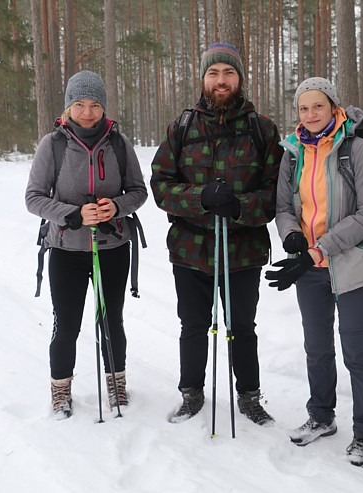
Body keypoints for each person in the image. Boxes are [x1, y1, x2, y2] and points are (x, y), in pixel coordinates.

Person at [150, 43, 282, 426]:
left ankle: (249, 396)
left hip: (242, 249)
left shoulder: (262, 129)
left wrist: (240, 206)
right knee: (193, 325)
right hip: (191, 248)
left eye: (227, 73)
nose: (220, 81)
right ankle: (191, 393)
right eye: (213, 74)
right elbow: (161, 185)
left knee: (242, 327)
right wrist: (200, 198)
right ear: (203, 80)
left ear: (239, 79)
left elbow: (276, 193)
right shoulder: (183, 126)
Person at [266, 77, 363, 469]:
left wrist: (320, 247)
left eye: (317, 106)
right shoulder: (292, 152)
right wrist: (292, 239)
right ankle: (321, 416)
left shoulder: (356, 150)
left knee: (357, 352)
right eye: (303, 108)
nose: (310, 115)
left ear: (334, 107)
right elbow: (284, 205)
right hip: (310, 270)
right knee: (317, 349)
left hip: (353, 264)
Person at [26, 70, 148, 419]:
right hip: (66, 249)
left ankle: (116, 383)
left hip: (112, 247)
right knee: (66, 323)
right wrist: (73, 214)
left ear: (104, 107)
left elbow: (139, 191)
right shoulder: (53, 145)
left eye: (95, 104)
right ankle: (61, 389)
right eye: (79, 104)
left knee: (112, 321)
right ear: (68, 107)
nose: (88, 112)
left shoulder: (119, 144)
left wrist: (117, 206)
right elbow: (33, 198)